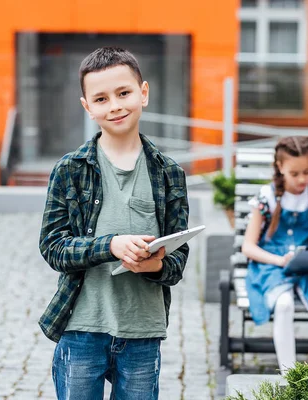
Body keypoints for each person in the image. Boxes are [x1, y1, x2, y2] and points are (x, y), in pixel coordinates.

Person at [38, 47, 189, 400]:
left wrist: (155, 264)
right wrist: (110, 245)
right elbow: (53, 247)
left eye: (124, 93)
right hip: (81, 327)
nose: (115, 105)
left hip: (143, 329)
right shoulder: (70, 170)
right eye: (101, 98)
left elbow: (178, 261)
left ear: (144, 93)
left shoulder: (169, 174)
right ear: (87, 107)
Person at [242, 136, 308, 374]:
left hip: (305, 265)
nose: (303, 179)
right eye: (295, 174)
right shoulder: (267, 196)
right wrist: (278, 260)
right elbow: (248, 247)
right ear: (280, 167)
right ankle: (289, 374)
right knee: (283, 305)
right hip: (271, 264)